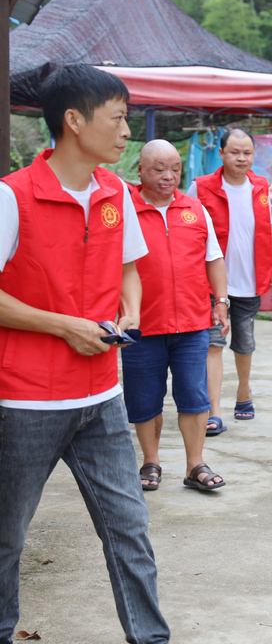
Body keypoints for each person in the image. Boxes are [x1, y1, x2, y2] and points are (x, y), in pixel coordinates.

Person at [0, 64, 170, 643]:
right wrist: (62, 327)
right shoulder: (12, 197)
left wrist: (130, 308)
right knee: (7, 538)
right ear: (74, 121)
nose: (127, 133)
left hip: (102, 396)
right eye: (118, 118)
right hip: (25, 402)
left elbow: (129, 270)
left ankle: (150, 636)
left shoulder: (115, 192)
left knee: (129, 528)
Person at [125, 140, 228, 491]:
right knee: (144, 398)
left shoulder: (196, 209)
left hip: (192, 323)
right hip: (141, 324)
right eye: (158, 169)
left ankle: (194, 464)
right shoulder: (125, 209)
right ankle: (151, 462)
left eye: (175, 169)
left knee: (194, 394)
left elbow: (213, 257)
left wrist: (222, 301)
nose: (168, 176)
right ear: (140, 170)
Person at [189, 127, 272, 424]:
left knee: (244, 344)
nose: (241, 158)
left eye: (247, 153)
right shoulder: (200, 187)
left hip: (250, 281)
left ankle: (244, 391)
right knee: (213, 345)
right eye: (234, 152)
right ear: (221, 153)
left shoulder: (260, 186)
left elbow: (268, 230)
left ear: (254, 155)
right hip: (211, 285)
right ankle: (214, 411)